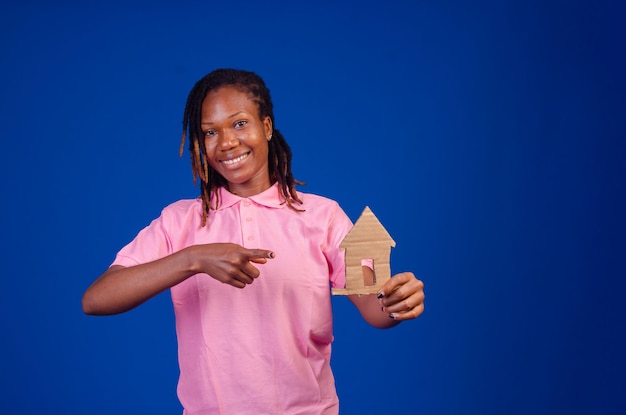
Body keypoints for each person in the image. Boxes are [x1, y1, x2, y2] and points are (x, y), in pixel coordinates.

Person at [82, 68, 425, 415]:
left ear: (266, 126)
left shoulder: (324, 217)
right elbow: (97, 299)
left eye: (240, 123)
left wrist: (396, 302)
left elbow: (374, 307)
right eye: (210, 132)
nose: (227, 142)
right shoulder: (179, 221)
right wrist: (192, 259)